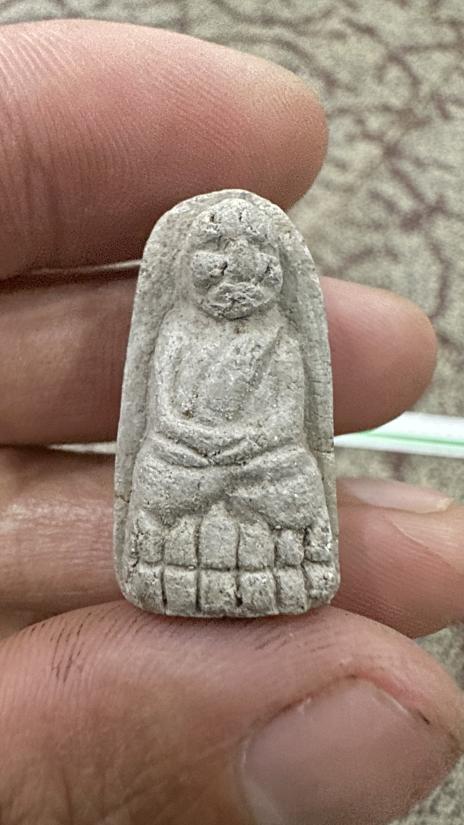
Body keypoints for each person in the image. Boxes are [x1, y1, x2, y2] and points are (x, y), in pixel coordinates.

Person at [0, 18, 462, 825]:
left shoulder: (283, 338)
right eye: (215, 261)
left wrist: (242, 451)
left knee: (291, 475)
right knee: (159, 473)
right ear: (183, 273)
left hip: (260, 460)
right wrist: (199, 450)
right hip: (190, 456)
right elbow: (162, 412)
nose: (239, 277)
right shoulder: (174, 334)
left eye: (258, 263)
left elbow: (288, 418)